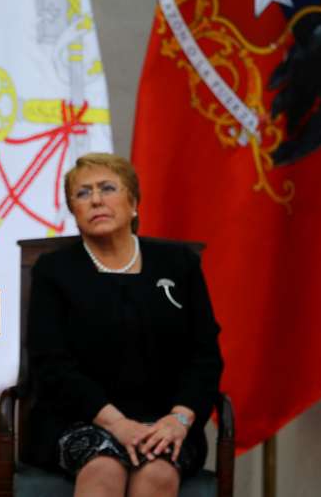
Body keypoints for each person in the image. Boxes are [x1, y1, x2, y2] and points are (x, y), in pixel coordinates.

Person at [26, 153, 223, 497]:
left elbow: (204, 355)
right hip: (79, 419)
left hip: (167, 420)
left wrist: (179, 419)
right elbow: (52, 364)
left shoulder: (179, 264)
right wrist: (116, 423)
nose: (96, 199)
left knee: (157, 473)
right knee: (104, 468)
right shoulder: (54, 271)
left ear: (133, 202)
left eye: (107, 188)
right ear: (74, 211)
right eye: (83, 193)